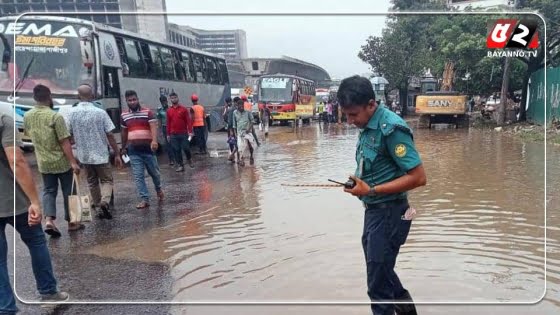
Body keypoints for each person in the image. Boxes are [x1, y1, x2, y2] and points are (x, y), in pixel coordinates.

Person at [338, 75, 426, 315]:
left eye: (353, 114)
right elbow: (376, 169)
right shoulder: (368, 126)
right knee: (383, 272)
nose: (350, 120)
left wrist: (372, 190)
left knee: (377, 285)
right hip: (374, 214)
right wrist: (359, 184)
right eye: (346, 115)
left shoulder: (391, 129)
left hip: (390, 214)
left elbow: (419, 177)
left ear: (371, 104)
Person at [0, 114, 70, 314]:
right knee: (36, 241)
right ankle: (48, 293)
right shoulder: (3, 119)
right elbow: (17, 161)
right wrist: (35, 201)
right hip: (15, 200)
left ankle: (5, 308)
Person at [23, 85, 81, 237]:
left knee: (49, 191)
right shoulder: (55, 116)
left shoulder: (27, 116)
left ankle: (49, 220)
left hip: (43, 162)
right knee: (69, 190)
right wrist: (73, 162)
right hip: (61, 161)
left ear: (34, 98)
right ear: (49, 97)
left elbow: (29, 135)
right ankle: (72, 222)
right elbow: (64, 142)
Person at [67, 84, 123, 219]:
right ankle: (105, 201)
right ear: (92, 96)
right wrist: (117, 153)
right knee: (107, 181)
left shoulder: (71, 113)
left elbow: (68, 136)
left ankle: (98, 206)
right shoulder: (100, 112)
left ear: (78, 96)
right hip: (101, 154)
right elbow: (110, 134)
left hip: (84, 156)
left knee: (92, 182)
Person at [120, 90, 163, 209]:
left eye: (134, 99)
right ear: (126, 101)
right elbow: (124, 132)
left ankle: (158, 189)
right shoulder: (124, 115)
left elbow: (153, 127)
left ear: (137, 99)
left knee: (154, 173)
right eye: (130, 100)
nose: (132, 102)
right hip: (133, 151)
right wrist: (123, 147)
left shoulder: (147, 113)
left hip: (148, 149)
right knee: (138, 176)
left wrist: (154, 141)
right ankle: (144, 199)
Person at [167, 92, 194, 172]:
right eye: (172, 98)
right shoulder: (169, 111)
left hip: (183, 133)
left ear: (177, 98)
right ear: (170, 99)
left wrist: (190, 131)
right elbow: (168, 123)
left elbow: (188, 121)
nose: (173, 99)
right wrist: (168, 134)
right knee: (176, 150)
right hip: (173, 134)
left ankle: (189, 159)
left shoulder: (183, 109)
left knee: (186, 148)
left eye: (175, 97)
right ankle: (180, 165)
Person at [233, 97, 255, 167]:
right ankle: (241, 159)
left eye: (242, 106)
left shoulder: (248, 112)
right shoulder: (235, 113)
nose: (241, 107)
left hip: (248, 132)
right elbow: (234, 125)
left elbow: (252, 121)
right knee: (240, 147)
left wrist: (249, 128)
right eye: (240, 106)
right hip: (239, 132)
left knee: (251, 146)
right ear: (237, 106)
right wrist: (235, 134)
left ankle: (251, 156)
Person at [156, 95, 175, 165]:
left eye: (165, 101)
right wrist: (159, 130)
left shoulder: (171, 107)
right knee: (168, 144)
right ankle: (171, 160)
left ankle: (176, 157)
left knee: (174, 143)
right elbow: (159, 120)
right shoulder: (159, 109)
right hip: (165, 128)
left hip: (173, 127)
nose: (164, 103)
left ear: (167, 101)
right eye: (162, 102)